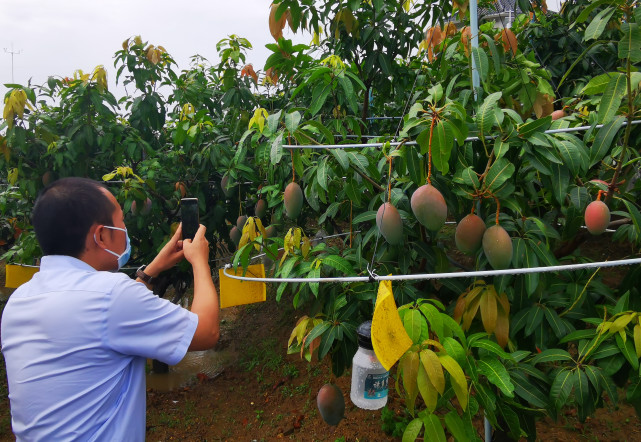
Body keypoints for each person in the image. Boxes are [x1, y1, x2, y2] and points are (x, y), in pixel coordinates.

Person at [1, 177, 219, 441]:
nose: (125, 229)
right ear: (101, 235)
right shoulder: (112, 297)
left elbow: (101, 315)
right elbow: (206, 332)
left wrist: (151, 270)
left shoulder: (20, 300)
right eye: (121, 222)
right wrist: (199, 262)